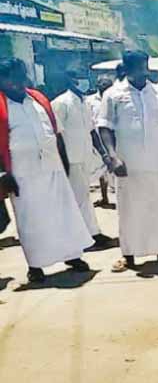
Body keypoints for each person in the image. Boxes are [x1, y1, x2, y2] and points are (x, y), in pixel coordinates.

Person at [0, 58, 93, 283]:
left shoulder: (39, 99)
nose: (17, 82)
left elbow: (56, 133)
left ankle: (72, 257)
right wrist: (3, 175)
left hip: (53, 169)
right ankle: (36, 265)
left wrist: (65, 163)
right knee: (31, 221)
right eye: (11, 77)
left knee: (63, 214)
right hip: (22, 174)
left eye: (21, 76)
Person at [98, 50, 158, 272]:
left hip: (156, 163)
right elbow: (104, 127)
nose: (140, 70)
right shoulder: (113, 95)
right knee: (129, 210)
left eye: (142, 65)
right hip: (127, 165)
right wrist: (113, 157)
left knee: (157, 206)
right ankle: (129, 256)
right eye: (134, 66)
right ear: (126, 68)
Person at [51, 70, 113, 248]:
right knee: (77, 200)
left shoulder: (84, 102)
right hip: (70, 159)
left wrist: (103, 154)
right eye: (78, 78)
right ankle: (82, 238)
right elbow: (57, 135)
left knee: (84, 198)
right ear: (69, 81)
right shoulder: (61, 103)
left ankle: (92, 233)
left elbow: (92, 131)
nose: (83, 82)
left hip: (84, 157)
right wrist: (62, 163)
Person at [86, 77, 115, 208]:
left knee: (113, 168)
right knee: (100, 171)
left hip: (111, 137)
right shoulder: (90, 101)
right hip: (96, 139)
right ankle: (104, 197)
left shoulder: (114, 98)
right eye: (102, 85)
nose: (104, 87)